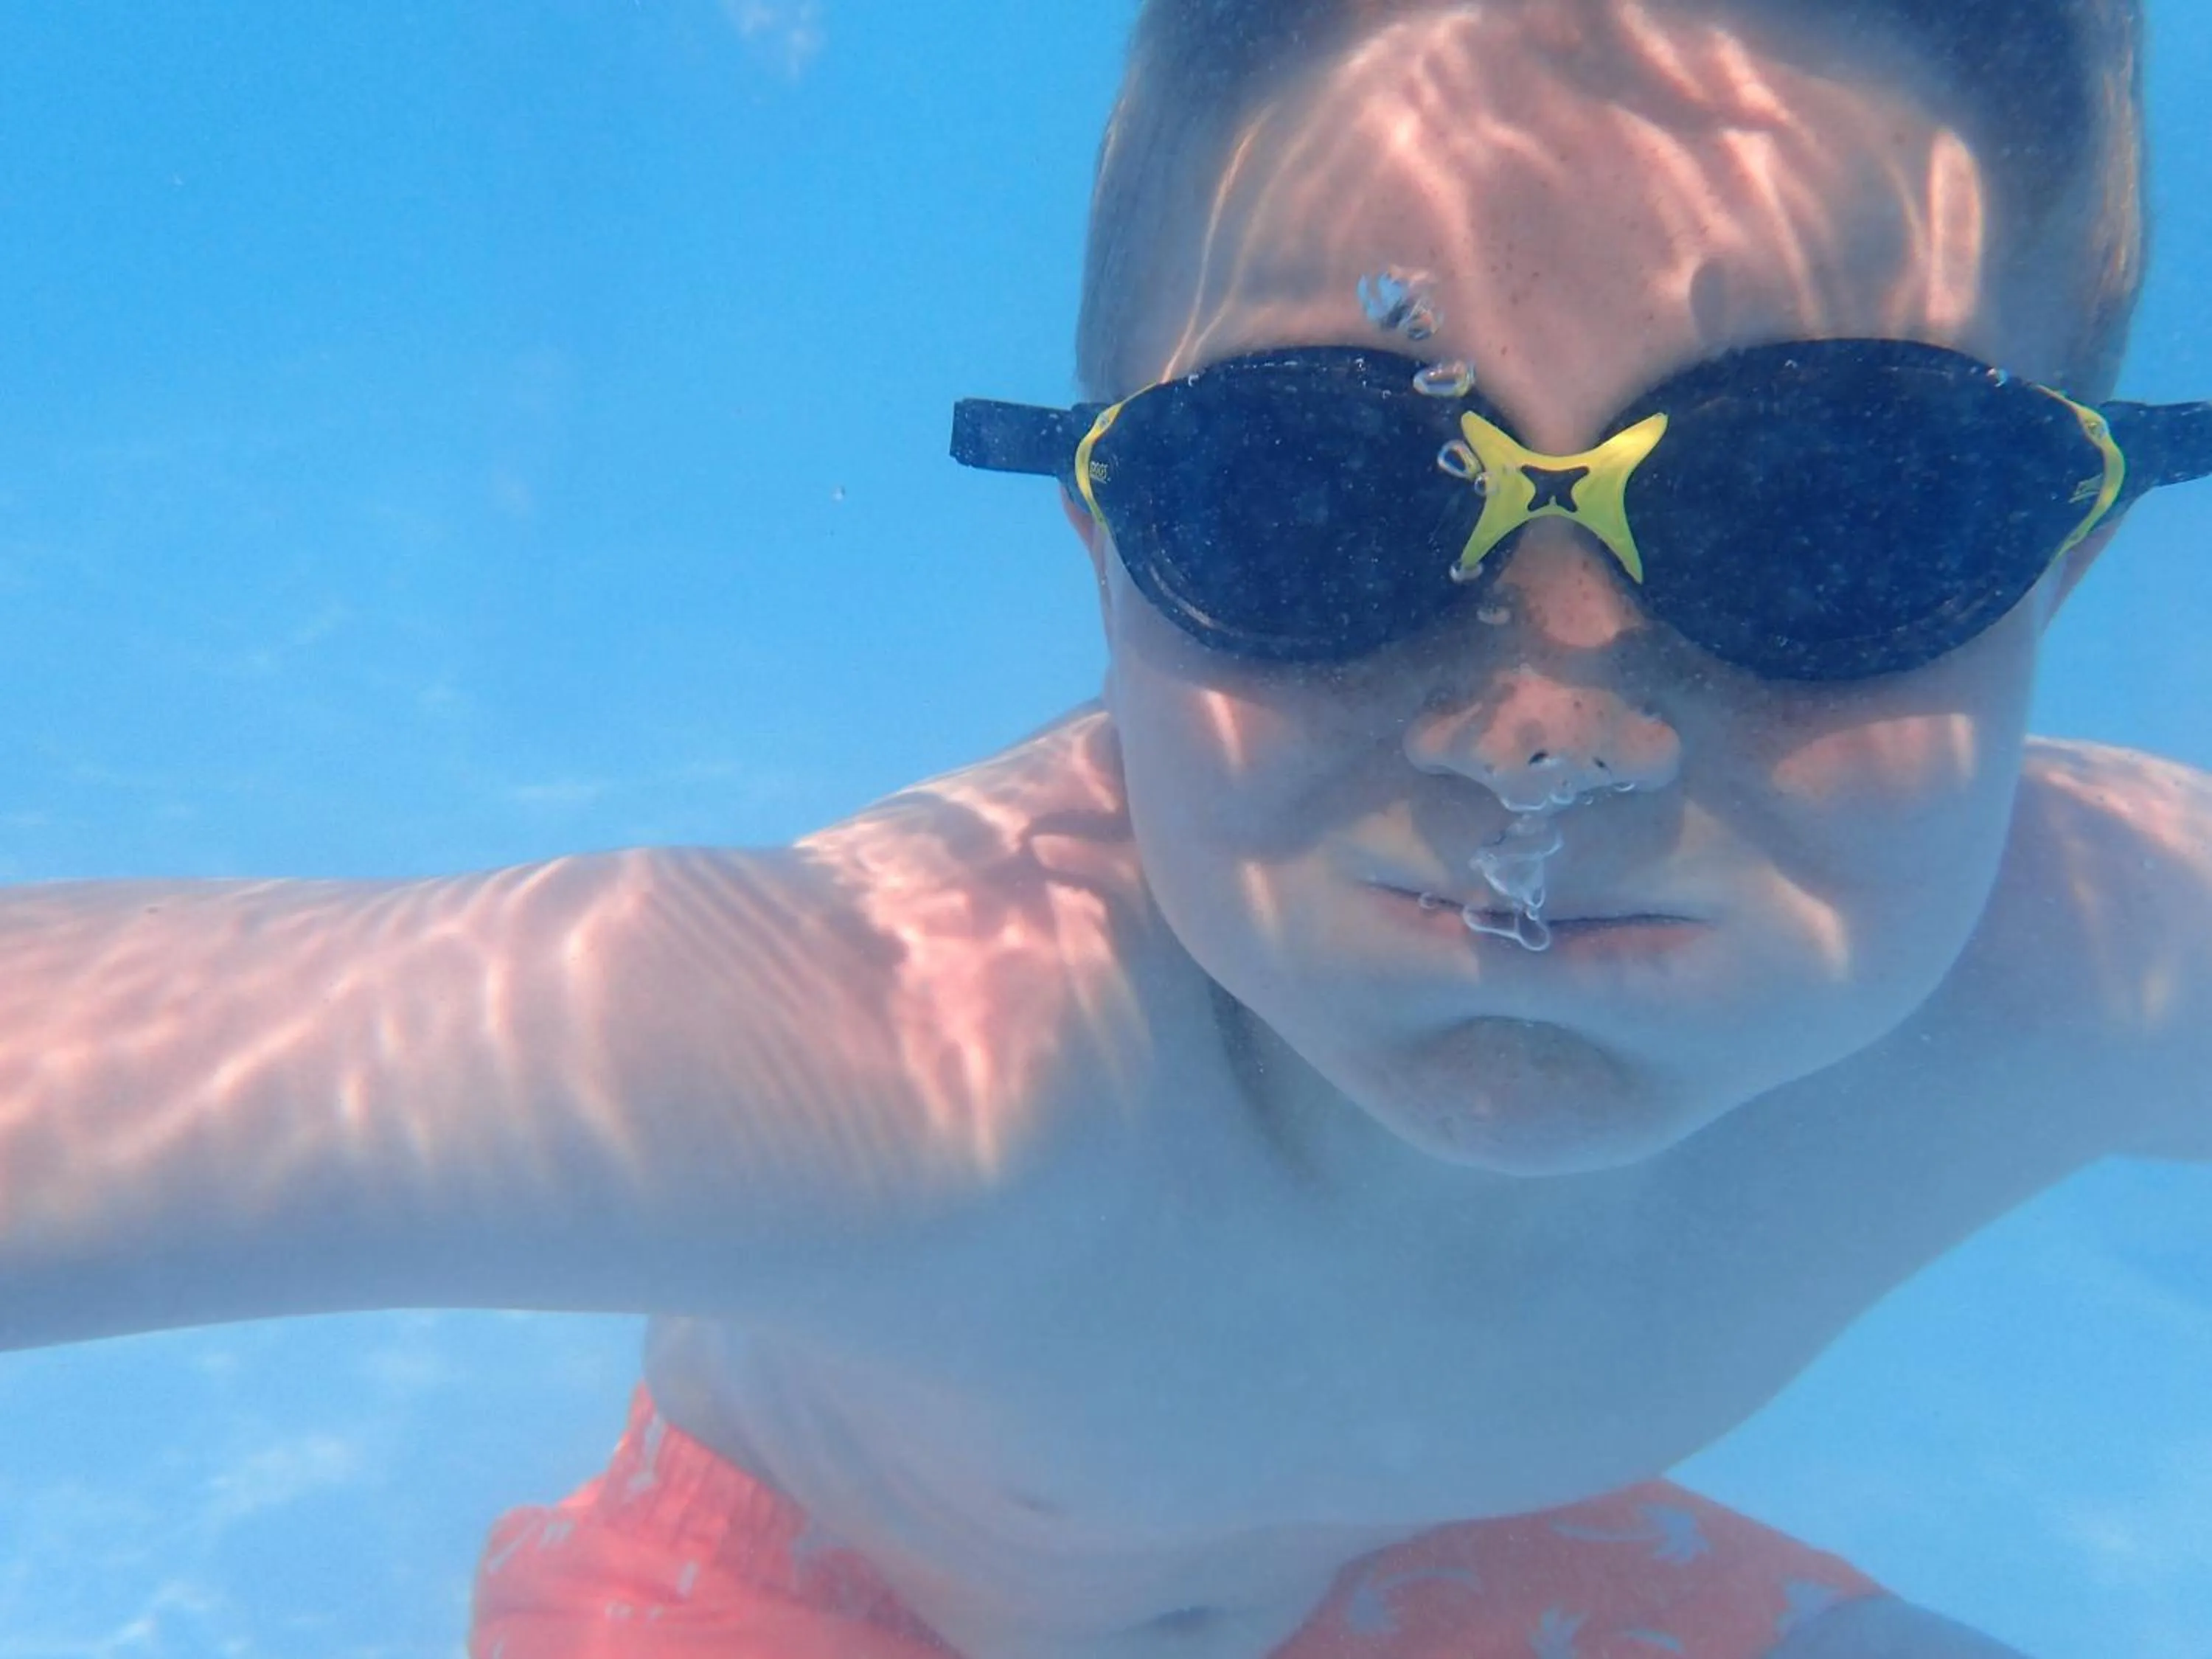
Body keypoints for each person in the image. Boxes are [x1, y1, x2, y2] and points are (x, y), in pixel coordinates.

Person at [4, 0, 2207, 1654]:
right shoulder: (931, 1072)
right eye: (1313, 497)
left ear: (2062, 562)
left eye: (1837, 512)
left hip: (1416, 1573)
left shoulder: (2095, 957)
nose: (1553, 742)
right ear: (1104, 533)